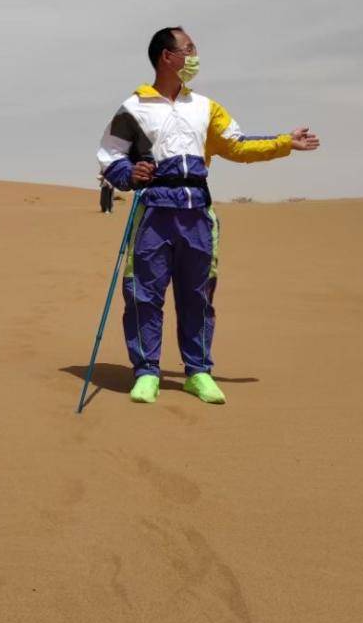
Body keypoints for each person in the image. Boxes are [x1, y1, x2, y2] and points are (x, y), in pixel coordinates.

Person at [97, 26, 319, 406]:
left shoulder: (205, 107)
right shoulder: (134, 107)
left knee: (197, 294)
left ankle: (198, 372)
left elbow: (237, 145)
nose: (194, 56)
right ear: (167, 56)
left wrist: (285, 142)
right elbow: (110, 155)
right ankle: (146, 372)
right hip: (154, 212)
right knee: (143, 294)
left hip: (197, 212)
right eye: (189, 48)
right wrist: (129, 174)